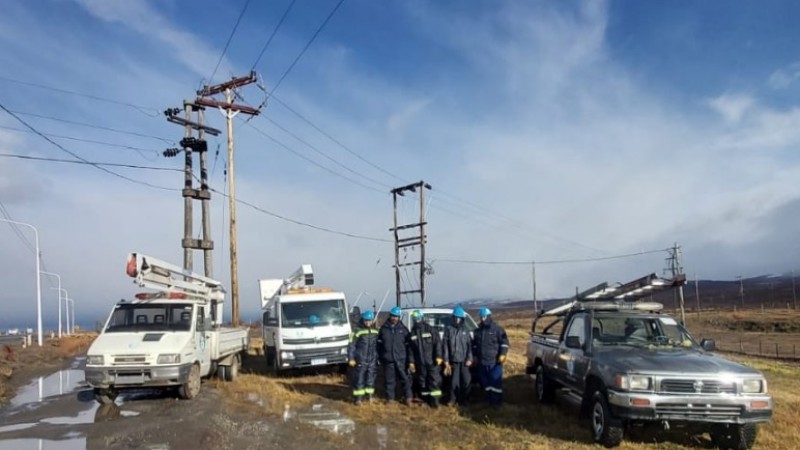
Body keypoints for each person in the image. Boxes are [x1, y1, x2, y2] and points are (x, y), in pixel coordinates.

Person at [407, 309, 444, 407]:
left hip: (432, 362)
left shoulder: (430, 329)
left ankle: (435, 402)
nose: (417, 320)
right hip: (420, 363)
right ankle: (426, 401)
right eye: (415, 318)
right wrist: (411, 362)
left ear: (422, 318)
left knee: (434, 381)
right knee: (422, 382)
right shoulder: (413, 333)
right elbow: (411, 350)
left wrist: (439, 356)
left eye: (418, 318)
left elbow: (438, 344)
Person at [377, 306, 413, 406]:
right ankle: (390, 399)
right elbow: (379, 345)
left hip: (402, 359)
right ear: (390, 316)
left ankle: (408, 398)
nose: (394, 318)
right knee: (390, 380)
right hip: (388, 359)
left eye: (396, 316)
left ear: (399, 317)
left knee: (405, 379)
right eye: (393, 316)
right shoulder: (384, 329)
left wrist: (410, 360)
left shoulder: (404, 330)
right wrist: (380, 358)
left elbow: (408, 346)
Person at [473, 307, 509, 406]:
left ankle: (496, 403)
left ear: (489, 316)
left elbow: (504, 343)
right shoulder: (477, 331)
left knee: (495, 383)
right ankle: (489, 400)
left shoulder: (498, 329)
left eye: (484, 317)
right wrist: (475, 356)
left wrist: (502, 354)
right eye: (481, 317)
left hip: (495, 362)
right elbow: (474, 345)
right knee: (486, 383)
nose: (482, 319)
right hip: (482, 362)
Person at [443, 306, 473, 406]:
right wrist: (446, 360)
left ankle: (465, 400)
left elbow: (470, 346)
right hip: (454, 361)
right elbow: (445, 346)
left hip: (465, 361)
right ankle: (452, 399)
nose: (457, 319)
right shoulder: (448, 329)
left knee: (466, 381)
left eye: (458, 317)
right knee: (453, 382)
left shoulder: (466, 330)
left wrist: (469, 358)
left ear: (462, 318)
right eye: (455, 317)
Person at [348, 309, 379, 405]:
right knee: (359, 378)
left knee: (370, 379)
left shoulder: (375, 331)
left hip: (372, 359)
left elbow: (379, 345)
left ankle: (369, 397)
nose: (368, 322)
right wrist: (351, 358)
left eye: (369, 320)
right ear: (363, 320)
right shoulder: (357, 331)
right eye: (366, 320)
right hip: (360, 359)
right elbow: (351, 345)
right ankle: (358, 399)